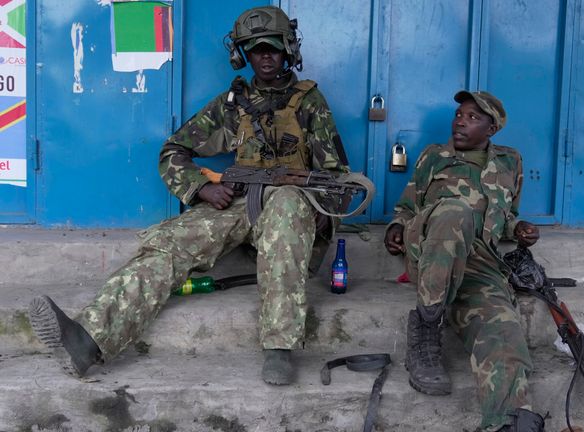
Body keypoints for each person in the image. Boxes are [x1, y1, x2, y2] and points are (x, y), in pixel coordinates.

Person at [28, 6, 350, 386]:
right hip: (240, 203)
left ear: (287, 50)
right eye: (256, 48)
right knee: (169, 244)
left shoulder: (309, 102)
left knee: (285, 206)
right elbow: (173, 151)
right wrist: (201, 186)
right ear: (243, 53)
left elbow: (338, 180)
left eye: (273, 47)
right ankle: (88, 339)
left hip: (291, 209)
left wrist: (315, 206)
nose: (265, 56)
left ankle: (279, 347)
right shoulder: (234, 104)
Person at [384, 91, 545, 432]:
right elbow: (406, 208)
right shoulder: (432, 156)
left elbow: (506, 215)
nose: (461, 121)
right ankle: (427, 331)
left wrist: (520, 228)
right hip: (431, 252)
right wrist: (396, 227)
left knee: (502, 329)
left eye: (473, 117)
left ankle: (508, 419)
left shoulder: (510, 162)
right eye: (459, 114)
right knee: (456, 211)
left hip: (479, 262)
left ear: (492, 129)